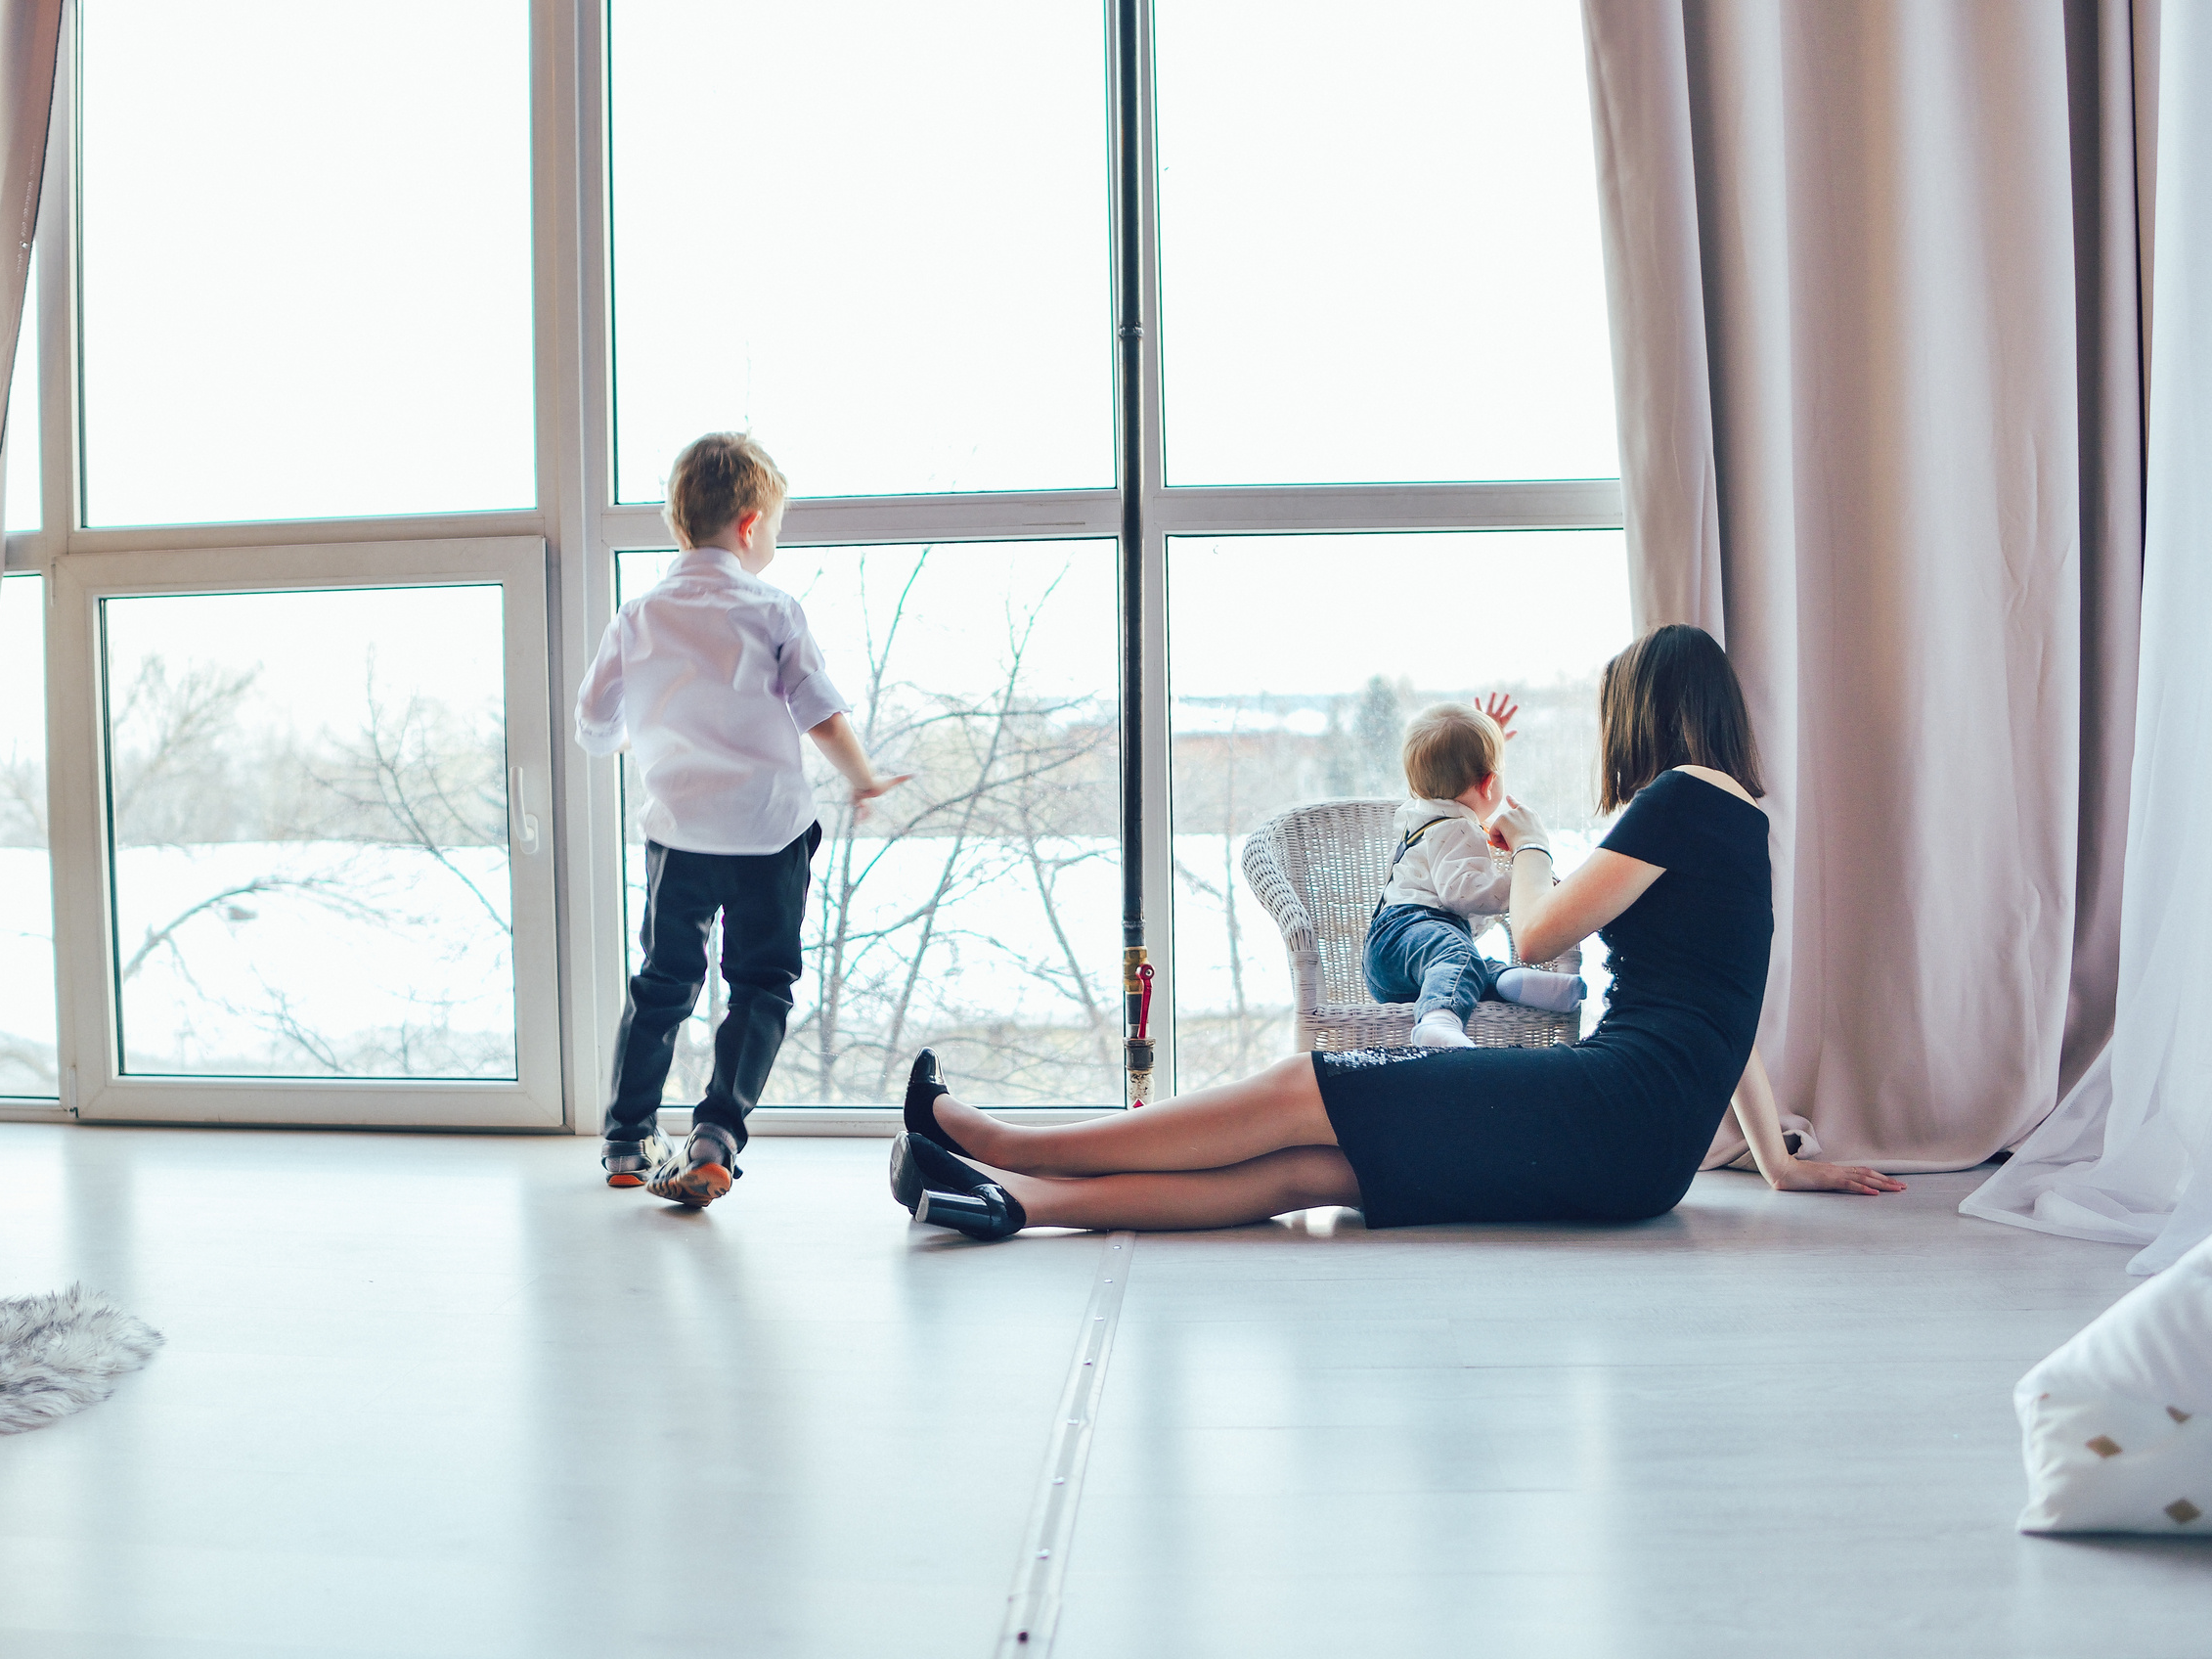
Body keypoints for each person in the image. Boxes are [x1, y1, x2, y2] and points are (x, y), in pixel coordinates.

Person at [885, 623, 1903, 1240]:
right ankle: (1016, 1198)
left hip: (1618, 1113)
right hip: (1643, 1146)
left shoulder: (1676, 797)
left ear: (1643, 713)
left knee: (1302, 1089)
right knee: (1309, 1172)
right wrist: (1779, 1164)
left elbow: (1539, 931)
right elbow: (1726, 1014)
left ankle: (1008, 1140)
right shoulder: (1739, 818)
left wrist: (1532, 836)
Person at [576, 432, 906, 1207]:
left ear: (679, 522)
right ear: (751, 525)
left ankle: (627, 1139)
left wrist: (631, 736)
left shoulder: (638, 615)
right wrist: (865, 778)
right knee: (760, 986)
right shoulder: (773, 606)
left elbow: (592, 723)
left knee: (663, 983)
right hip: (769, 835)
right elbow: (818, 712)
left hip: (678, 836)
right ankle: (716, 1137)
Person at [1365, 697, 1587, 1049]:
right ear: (1489, 784)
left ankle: (1512, 981)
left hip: (1395, 955)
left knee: (1468, 966)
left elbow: (1444, 767)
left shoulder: (1422, 811)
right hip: (1411, 930)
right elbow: (1463, 892)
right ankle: (1438, 1021)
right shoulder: (1456, 828)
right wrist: (1525, 882)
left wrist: (1481, 744)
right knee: (1458, 956)